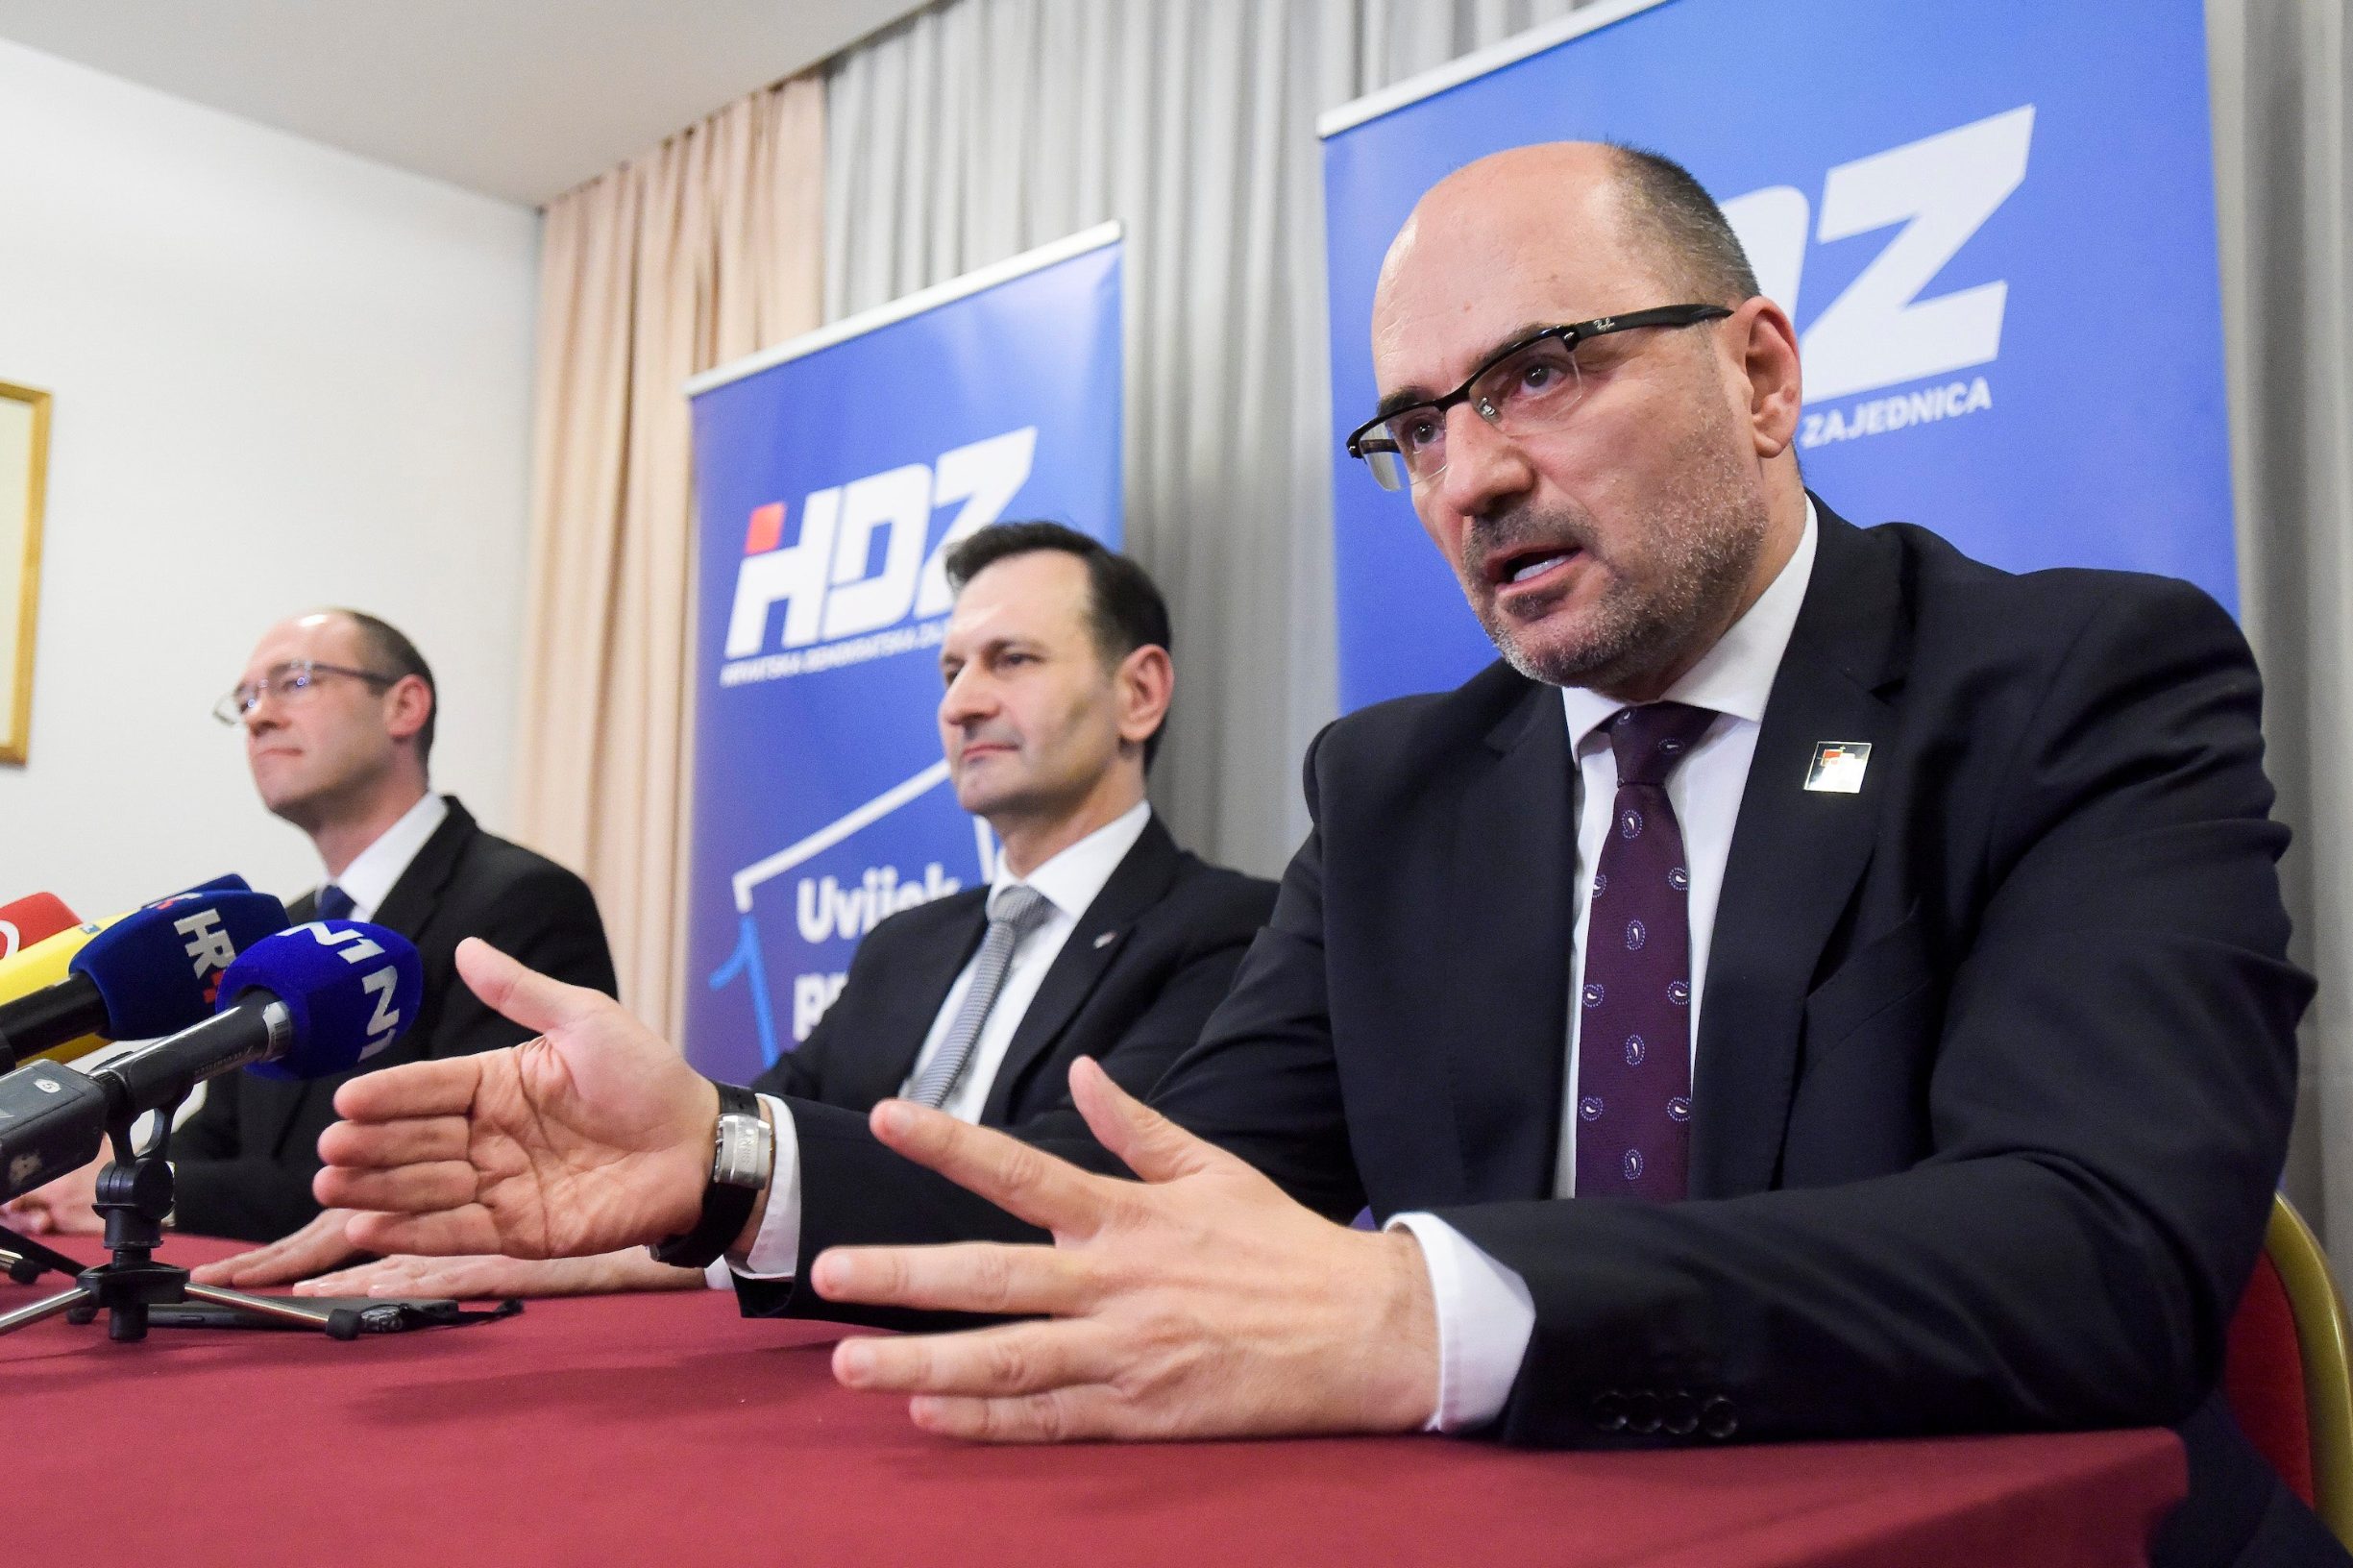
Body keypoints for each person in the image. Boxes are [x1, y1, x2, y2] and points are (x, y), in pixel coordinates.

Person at [312, 145, 2321, 1563]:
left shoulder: (2075, 684)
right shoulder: (1399, 790)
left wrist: (1423, 1313)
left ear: (1763, 371)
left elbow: (2105, 1257)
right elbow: (1136, 1201)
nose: (1475, 475)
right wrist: (736, 1162)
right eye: (1415, 427)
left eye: (1544, 372)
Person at [221, 525, 1276, 1301]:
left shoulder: (1231, 933)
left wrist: (687, 1209)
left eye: (1012, 660)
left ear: (1139, 693)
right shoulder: (908, 947)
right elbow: (741, 1132)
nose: (960, 702)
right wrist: (575, 1242)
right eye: (951, 668)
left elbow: (1071, 1196)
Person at [3, 609, 618, 1246]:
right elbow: (222, 1136)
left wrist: (138, 1191)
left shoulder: (520, 900)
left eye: (294, 682)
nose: (257, 716)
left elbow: (471, 1175)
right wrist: (96, 1177)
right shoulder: (277, 933)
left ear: (403, 706)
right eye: (246, 698)